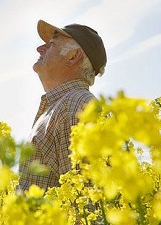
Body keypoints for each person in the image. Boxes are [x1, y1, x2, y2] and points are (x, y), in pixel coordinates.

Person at [18, 19, 107, 192]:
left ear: (73, 57)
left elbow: (86, 202)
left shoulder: (77, 106)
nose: (40, 48)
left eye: (51, 44)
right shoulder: (63, 106)